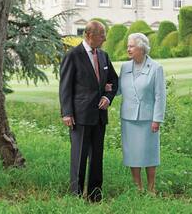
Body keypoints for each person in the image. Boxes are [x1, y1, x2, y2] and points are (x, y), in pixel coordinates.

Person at [59, 20, 118, 202]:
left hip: (100, 116)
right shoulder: (73, 55)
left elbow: (114, 81)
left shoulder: (103, 55)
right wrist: (66, 113)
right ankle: (75, 196)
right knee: (79, 157)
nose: (105, 38)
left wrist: (108, 97)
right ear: (89, 35)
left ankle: (95, 196)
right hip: (80, 116)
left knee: (97, 157)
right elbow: (65, 87)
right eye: (102, 35)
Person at [117, 32, 166, 193]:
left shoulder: (156, 68)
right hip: (128, 118)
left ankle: (151, 189)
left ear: (141, 48)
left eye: (131, 46)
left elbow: (160, 96)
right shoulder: (124, 67)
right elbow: (117, 90)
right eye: (128, 46)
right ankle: (138, 188)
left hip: (148, 119)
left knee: (149, 153)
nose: (128, 49)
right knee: (132, 154)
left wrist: (157, 119)